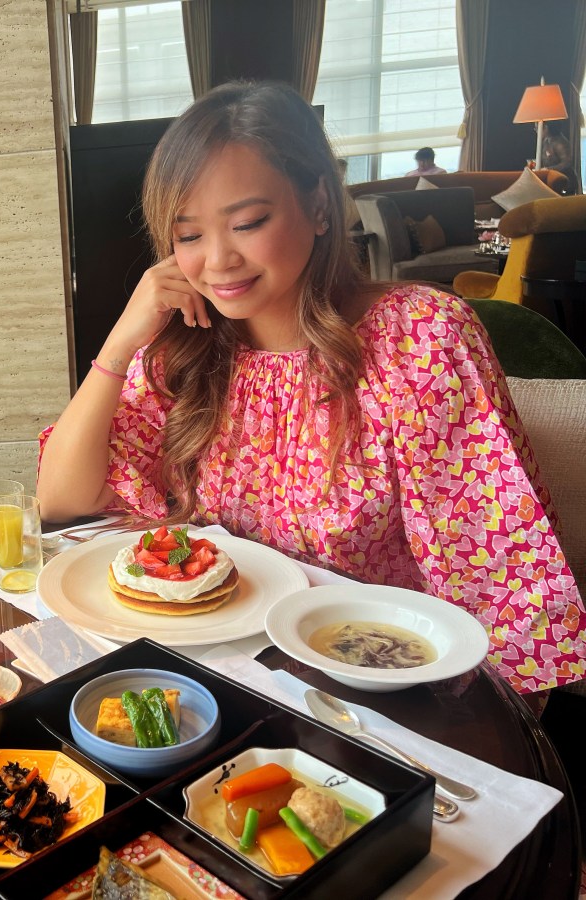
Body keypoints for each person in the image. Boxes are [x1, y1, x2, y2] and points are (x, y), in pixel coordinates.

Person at [36, 81, 585, 695]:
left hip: (371, 680)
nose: (217, 260)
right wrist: (120, 342)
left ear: (319, 204)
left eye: (247, 223)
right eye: (188, 236)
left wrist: (482, 732)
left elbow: (500, 577)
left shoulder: (420, 338)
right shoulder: (184, 350)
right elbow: (59, 500)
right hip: (215, 673)